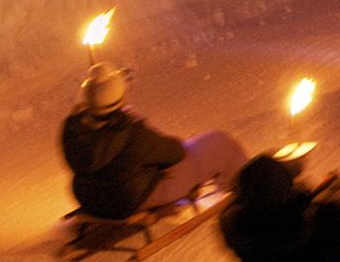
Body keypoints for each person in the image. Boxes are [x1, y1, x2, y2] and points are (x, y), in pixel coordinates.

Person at [60, 62, 247, 220]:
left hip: (90, 198)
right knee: (215, 144)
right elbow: (174, 153)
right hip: (127, 200)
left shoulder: (74, 129)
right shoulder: (130, 131)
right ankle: (244, 189)